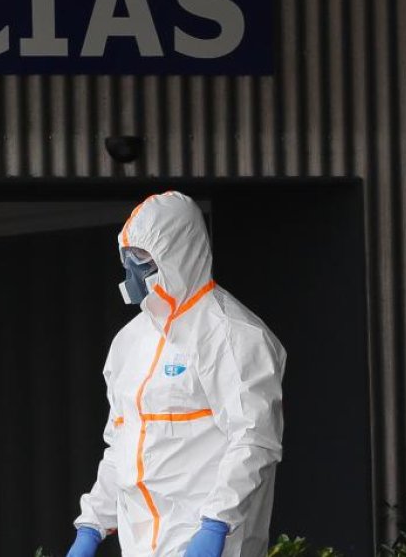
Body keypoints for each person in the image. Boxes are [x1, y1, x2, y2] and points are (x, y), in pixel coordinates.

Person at [67, 191, 285, 557]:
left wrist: (216, 523)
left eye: (146, 259)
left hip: (210, 542)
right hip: (141, 546)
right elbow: (121, 446)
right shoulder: (129, 343)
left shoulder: (233, 335)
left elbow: (254, 440)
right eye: (129, 257)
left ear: (180, 255)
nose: (134, 270)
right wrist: (91, 525)